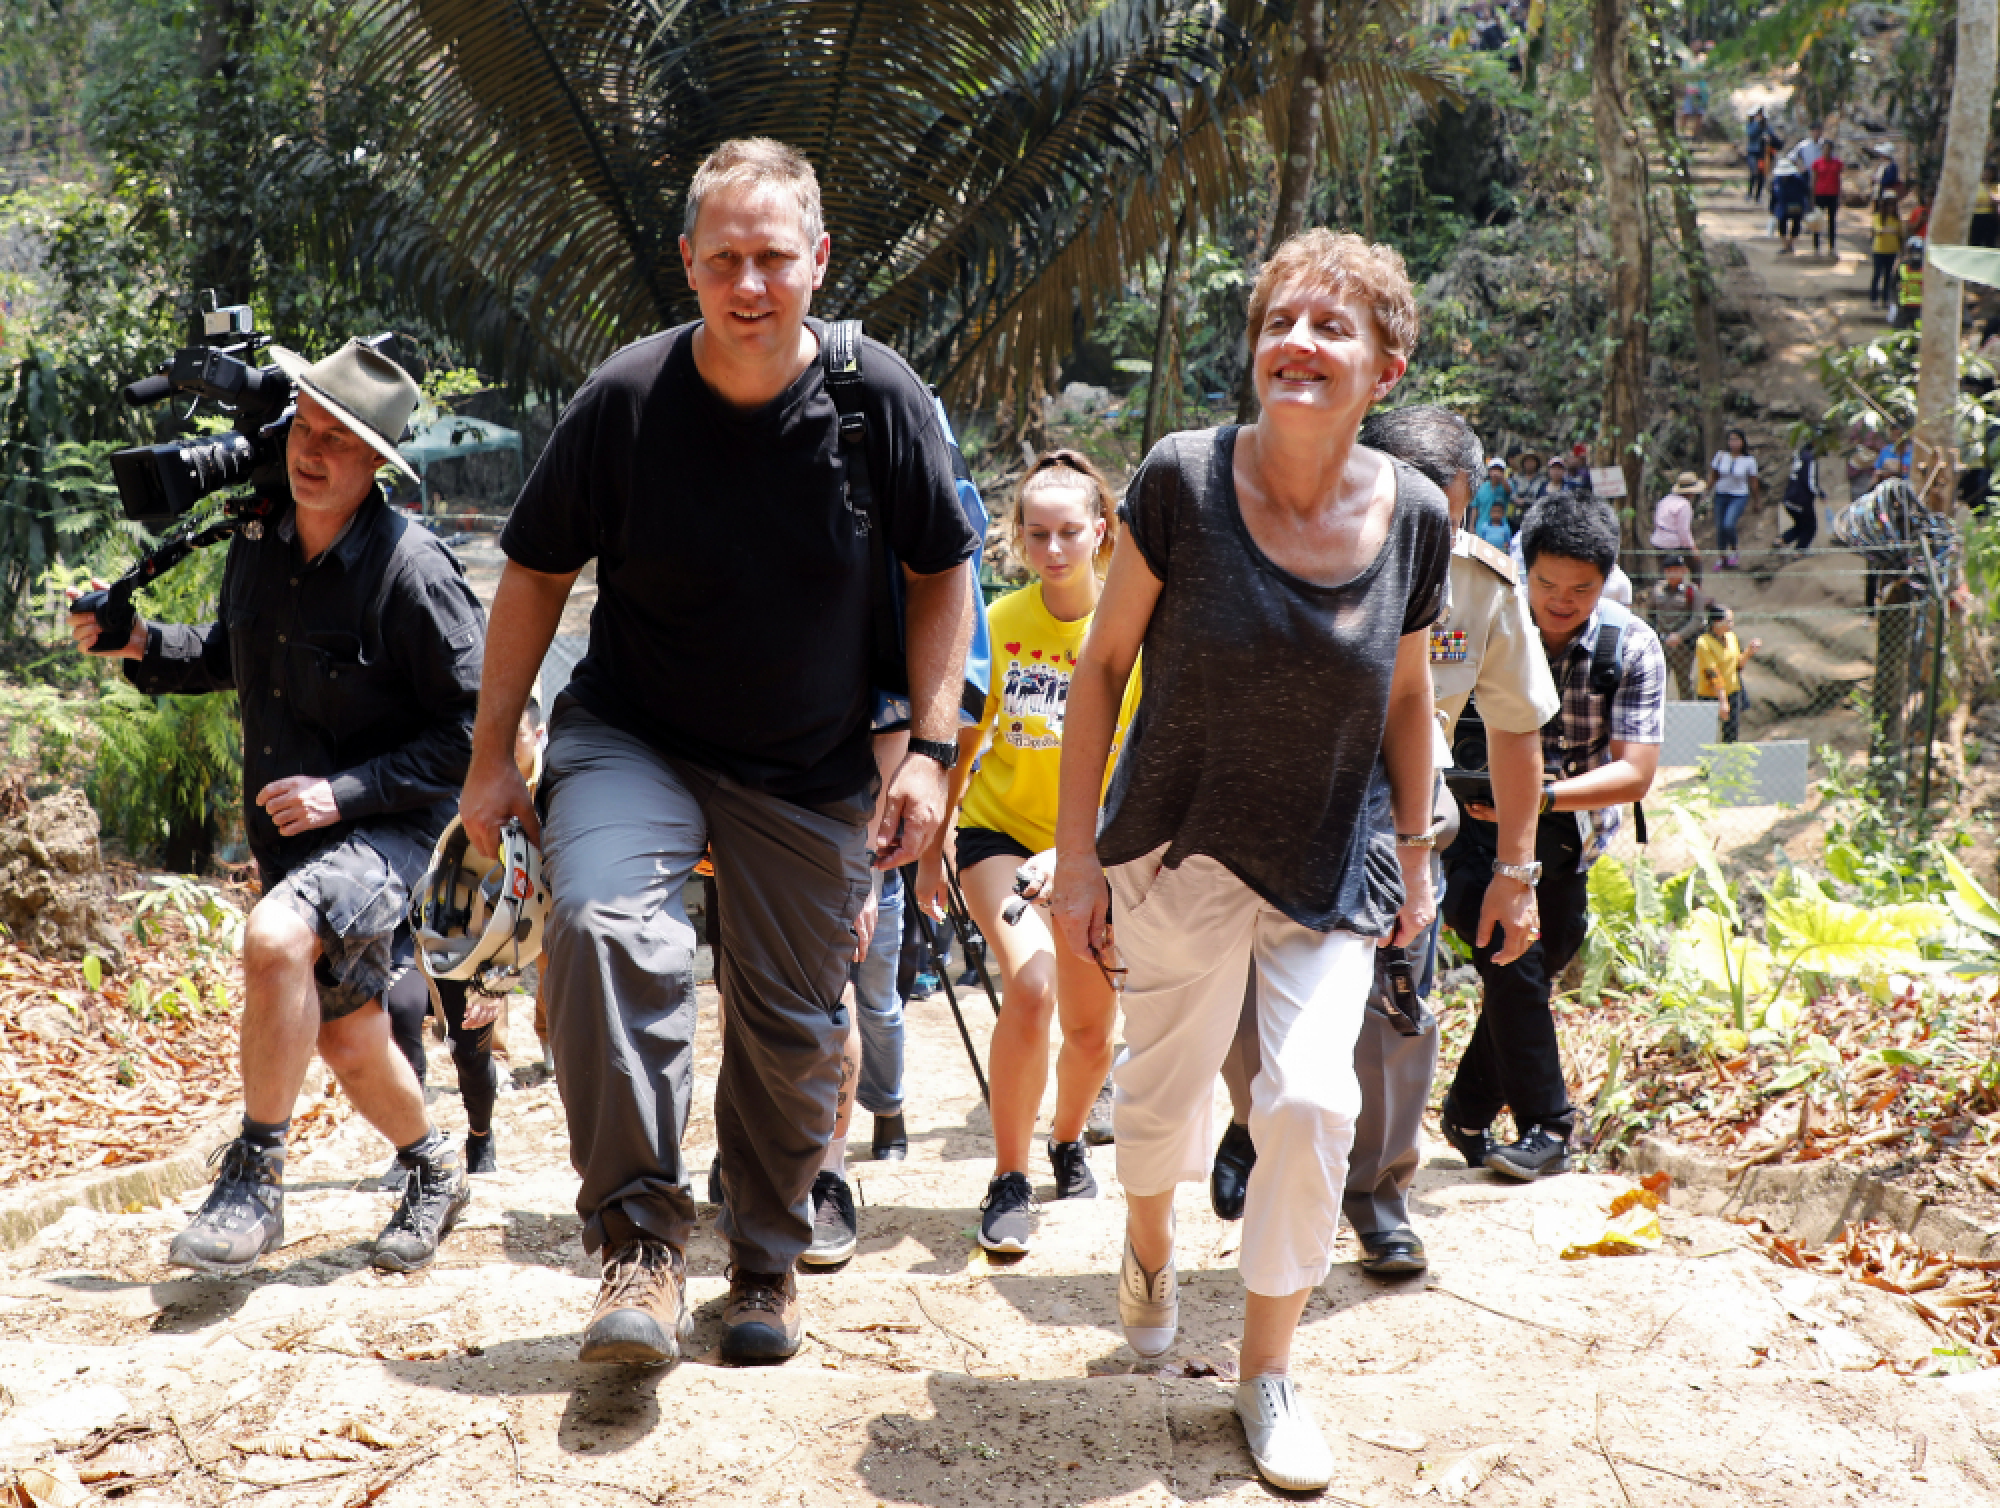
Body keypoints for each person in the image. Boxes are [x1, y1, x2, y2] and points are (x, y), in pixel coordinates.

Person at [457, 138, 977, 1368]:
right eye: (726, 258)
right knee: (601, 929)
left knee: (793, 1023)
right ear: (687, 261)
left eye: (774, 258)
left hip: (807, 758)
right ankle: (639, 1241)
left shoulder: (875, 397)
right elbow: (532, 572)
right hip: (633, 732)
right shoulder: (626, 399)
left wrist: (928, 749)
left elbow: (942, 567)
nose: (751, 284)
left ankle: (763, 1256)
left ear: (818, 261)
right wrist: (490, 754)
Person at [1050, 229, 1451, 1493]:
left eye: (1332, 327)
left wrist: (1419, 854)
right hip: (1179, 845)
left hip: (1333, 854)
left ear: (1383, 368)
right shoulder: (1180, 478)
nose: (1298, 342)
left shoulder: (1415, 516)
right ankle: (1149, 1239)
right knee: (1160, 1104)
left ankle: (1266, 1372)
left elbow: (1406, 699)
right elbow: (1101, 667)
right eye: (1280, 320)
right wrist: (1075, 860)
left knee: (1312, 1101)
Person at [70, 340, 485, 1276]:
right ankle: (434, 1168)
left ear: (376, 461)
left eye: (338, 439)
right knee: (345, 1032)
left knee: (273, 937)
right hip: (292, 835)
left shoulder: (413, 570)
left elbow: (471, 732)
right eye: (305, 428)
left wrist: (343, 793)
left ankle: (254, 1182)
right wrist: (137, 640)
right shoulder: (261, 540)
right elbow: (237, 652)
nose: (311, 451)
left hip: (390, 827)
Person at [1208, 404, 1556, 1281]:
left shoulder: (1479, 583)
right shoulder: (1290, 543)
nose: (1434, 530)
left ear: (1469, 503)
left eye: (1451, 513)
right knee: (1246, 1003)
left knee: (1396, 1016)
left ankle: (1378, 1201)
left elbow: (1516, 726)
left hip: (1401, 832)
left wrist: (1516, 872)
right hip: (1274, 815)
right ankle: (1253, 1121)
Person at [941, 451, 1137, 1254]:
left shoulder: (1128, 630)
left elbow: (1137, 763)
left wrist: (1078, 850)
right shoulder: (996, 622)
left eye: (1069, 533)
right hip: (999, 836)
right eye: (1037, 534)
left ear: (1101, 532)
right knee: (1031, 985)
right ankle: (1009, 1177)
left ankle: (1066, 1138)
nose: (1053, 549)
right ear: (1018, 538)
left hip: (1095, 846)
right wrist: (933, 841)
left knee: (1092, 1031)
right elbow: (965, 738)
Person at [1440, 497, 1665, 1181]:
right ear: (1522, 569)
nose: (1562, 602)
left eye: (1581, 589)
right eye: (1546, 584)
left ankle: (1468, 1111)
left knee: (1544, 952)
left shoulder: (1631, 647)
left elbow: (1635, 773)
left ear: (1607, 580)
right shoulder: (1480, 623)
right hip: (1466, 829)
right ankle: (1549, 1127)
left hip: (1567, 833)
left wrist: (1535, 797)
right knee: (1512, 953)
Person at [1646, 554, 1707, 701]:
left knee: (1685, 685)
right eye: (1669, 570)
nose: (1672, 574)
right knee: (1656, 684)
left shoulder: (1692, 591)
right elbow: (1650, 614)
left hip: (1683, 649)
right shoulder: (1658, 590)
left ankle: (1688, 714)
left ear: (1684, 570)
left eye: (1676, 570)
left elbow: (1698, 618)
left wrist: (1680, 635)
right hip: (1661, 645)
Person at [1696, 603, 1760, 744]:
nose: (1732, 624)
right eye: (1729, 621)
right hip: (1710, 695)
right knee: (1706, 735)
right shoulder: (1703, 642)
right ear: (1717, 623)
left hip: (1733, 692)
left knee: (1731, 735)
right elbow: (1713, 673)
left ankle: (1728, 758)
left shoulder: (1731, 637)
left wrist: (1749, 652)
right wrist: (1723, 702)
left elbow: (1737, 665)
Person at [1708, 430, 1759, 569]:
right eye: (1731, 439)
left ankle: (1735, 551)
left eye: (1736, 439)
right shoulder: (1721, 456)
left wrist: (1756, 500)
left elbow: (1754, 481)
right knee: (1720, 528)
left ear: (1743, 442)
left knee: (1728, 524)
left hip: (1739, 496)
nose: (1733, 443)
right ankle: (1722, 558)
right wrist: (1706, 491)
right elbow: (1714, 475)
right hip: (1721, 494)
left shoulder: (1749, 460)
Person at [1649, 470, 1705, 579]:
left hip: (1659, 539)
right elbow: (1683, 530)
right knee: (1695, 563)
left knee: (1664, 570)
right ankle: (1696, 585)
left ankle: (1663, 585)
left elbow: (1656, 519)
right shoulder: (1684, 505)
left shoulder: (1665, 499)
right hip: (1674, 542)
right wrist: (1692, 547)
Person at [1780, 439, 1826, 550]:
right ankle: (1799, 551)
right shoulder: (1810, 459)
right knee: (1810, 527)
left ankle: (1782, 540)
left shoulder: (1799, 455)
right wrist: (1821, 494)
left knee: (1801, 525)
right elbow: (1810, 483)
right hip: (1801, 501)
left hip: (1789, 498)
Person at [1809, 139, 1845, 257]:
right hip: (1820, 194)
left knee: (1832, 221)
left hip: (1833, 194)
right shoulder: (1817, 163)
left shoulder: (1837, 163)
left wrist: (1840, 196)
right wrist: (1812, 197)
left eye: (1828, 148)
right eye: (1825, 148)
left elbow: (1839, 179)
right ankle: (1816, 246)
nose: (1826, 151)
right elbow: (1814, 180)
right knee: (1818, 220)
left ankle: (1831, 246)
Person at [1870, 193, 1905, 309]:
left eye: (1893, 204)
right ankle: (1874, 299)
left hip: (1892, 251)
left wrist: (1901, 250)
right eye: (1889, 204)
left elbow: (1900, 234)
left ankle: (1885, 299)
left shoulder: (1896, 219)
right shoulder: (1878, 216)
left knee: (1888, 276)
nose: (1891, 207)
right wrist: (1888, 231)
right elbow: (1877, 229)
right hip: (1879, 250)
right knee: (1877, 274)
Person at [1470, 458, 1514, 548]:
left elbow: (1510, 491)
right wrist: (1471, 526)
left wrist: (1502, 479)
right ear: (1489, 471)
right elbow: (1475, 507)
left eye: (1499, 470)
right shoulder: (1481, 487)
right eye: (1494, 469)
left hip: (1500, 530)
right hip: (1481, 528)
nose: (1496, 472)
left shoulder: (1507, 485)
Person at [1771, 158, 1808, 255]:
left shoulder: (1799, 180)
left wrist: (1807, 206)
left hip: (1796, 205)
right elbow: (1774, 195)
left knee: (1796, 223)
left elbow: (1806, 191)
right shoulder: (1776, 181)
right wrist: (1772, 207)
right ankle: (1785, 245)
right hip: (1782, 205)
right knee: (1782, 223)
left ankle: (1791, 244)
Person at [1893, 237, 1925, 330]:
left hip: (1921, 308)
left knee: (1919, 334)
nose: (1916, 255)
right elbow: (1894, 285)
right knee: (1898, 333)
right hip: (1904, 307)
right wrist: (1895, 302)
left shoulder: (1928, 269)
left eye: (1918, 253)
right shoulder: (1902, 266)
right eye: (1915, 252)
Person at [1745, 107, 1772, 200]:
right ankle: (1749, 194)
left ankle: (1758, 196)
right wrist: (1758, 124)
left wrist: (1768, 137)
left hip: (1763, 153)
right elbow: (1750, 133)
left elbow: (1772, 135)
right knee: (1754, 173)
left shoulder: (1767, 126)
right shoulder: (1751, 124)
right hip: (1752, 152)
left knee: (1761, 174)